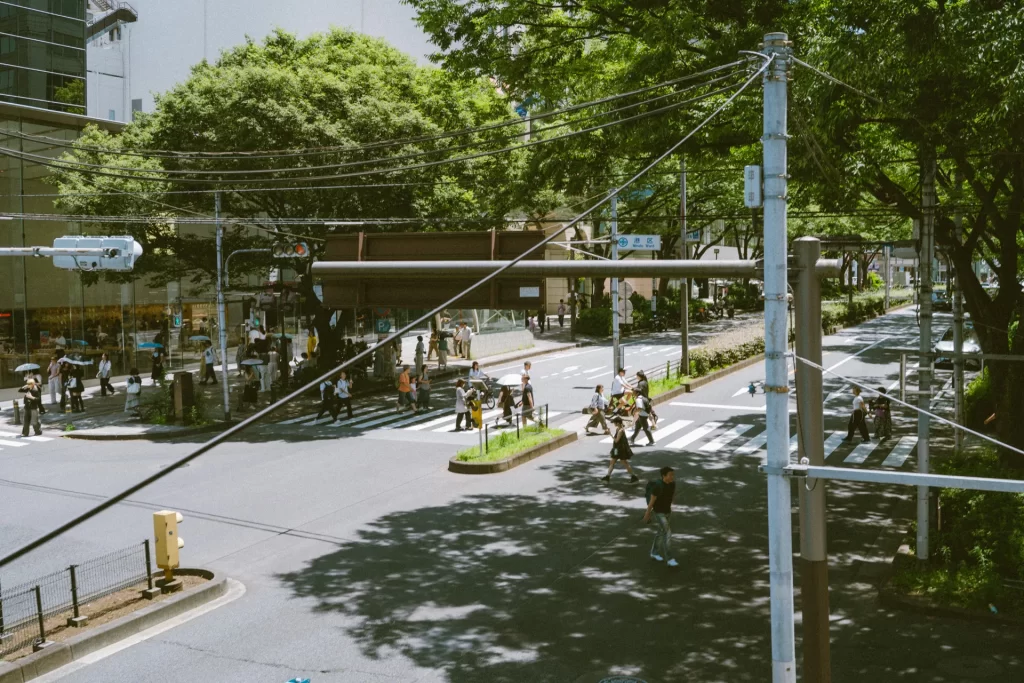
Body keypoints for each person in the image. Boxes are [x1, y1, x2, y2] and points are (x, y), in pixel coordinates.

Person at [643, 466, 679, 566]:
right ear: (664, 476)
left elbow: (671, 496)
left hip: (668, 511)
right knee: (667, 533)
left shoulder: (672, 484)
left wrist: (672, 506)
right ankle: (670, 559)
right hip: (659, 512)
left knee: (661, 532)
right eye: (670, 475)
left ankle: (654, 553)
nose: (672, 477)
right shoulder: (658, 487)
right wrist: (647, 513)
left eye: (673, 475)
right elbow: (652, 501)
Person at [602, 417, 639, 483]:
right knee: (612, 461)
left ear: (618, 423)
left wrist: (610, 434)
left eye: (614, 423)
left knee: (624, 462)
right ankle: (607, 477)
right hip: (616, 449)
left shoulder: (620, 431)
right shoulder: (618, 429)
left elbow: (616, 440)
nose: (614, 424)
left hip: (620, 449)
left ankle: (634, 477)